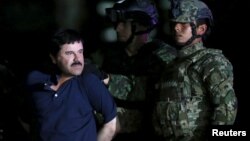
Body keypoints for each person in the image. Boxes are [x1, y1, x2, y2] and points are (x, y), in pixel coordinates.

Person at [152, 0, 238, 140]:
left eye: (183, 24)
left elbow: (226, 107)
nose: (176, 28)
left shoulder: (210, 61)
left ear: (201, 29)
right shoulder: (171, 65)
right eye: (174, 23)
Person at [98, 0, 177, 140]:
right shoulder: (113, 56)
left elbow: (144, 93)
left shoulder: (163, 56)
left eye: (123, 23)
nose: (117, 29)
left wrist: (108, 80)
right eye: (117, 23)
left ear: (140, 25)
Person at [25, 29, 119, 141]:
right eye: (69, 53)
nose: (78, 59)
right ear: (53, 58)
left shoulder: (88, 81)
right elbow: (25, 118)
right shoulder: (35, 80)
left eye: (80, 52)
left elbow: (113, 125)